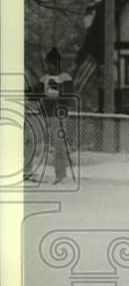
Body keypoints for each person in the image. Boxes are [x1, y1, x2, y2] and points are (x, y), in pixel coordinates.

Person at [37, 46, 73, 184]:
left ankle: (60, 175)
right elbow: (36, 93)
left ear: (57, 64)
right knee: (32, 140)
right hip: (45, 114)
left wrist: (51, 96)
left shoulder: (65, 77)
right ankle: (27, 171)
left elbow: (67, 95)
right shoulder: (44, 78)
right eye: (48, 64)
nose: (49, 67)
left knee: (59, 145)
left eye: (51, 64)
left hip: (59, 115)